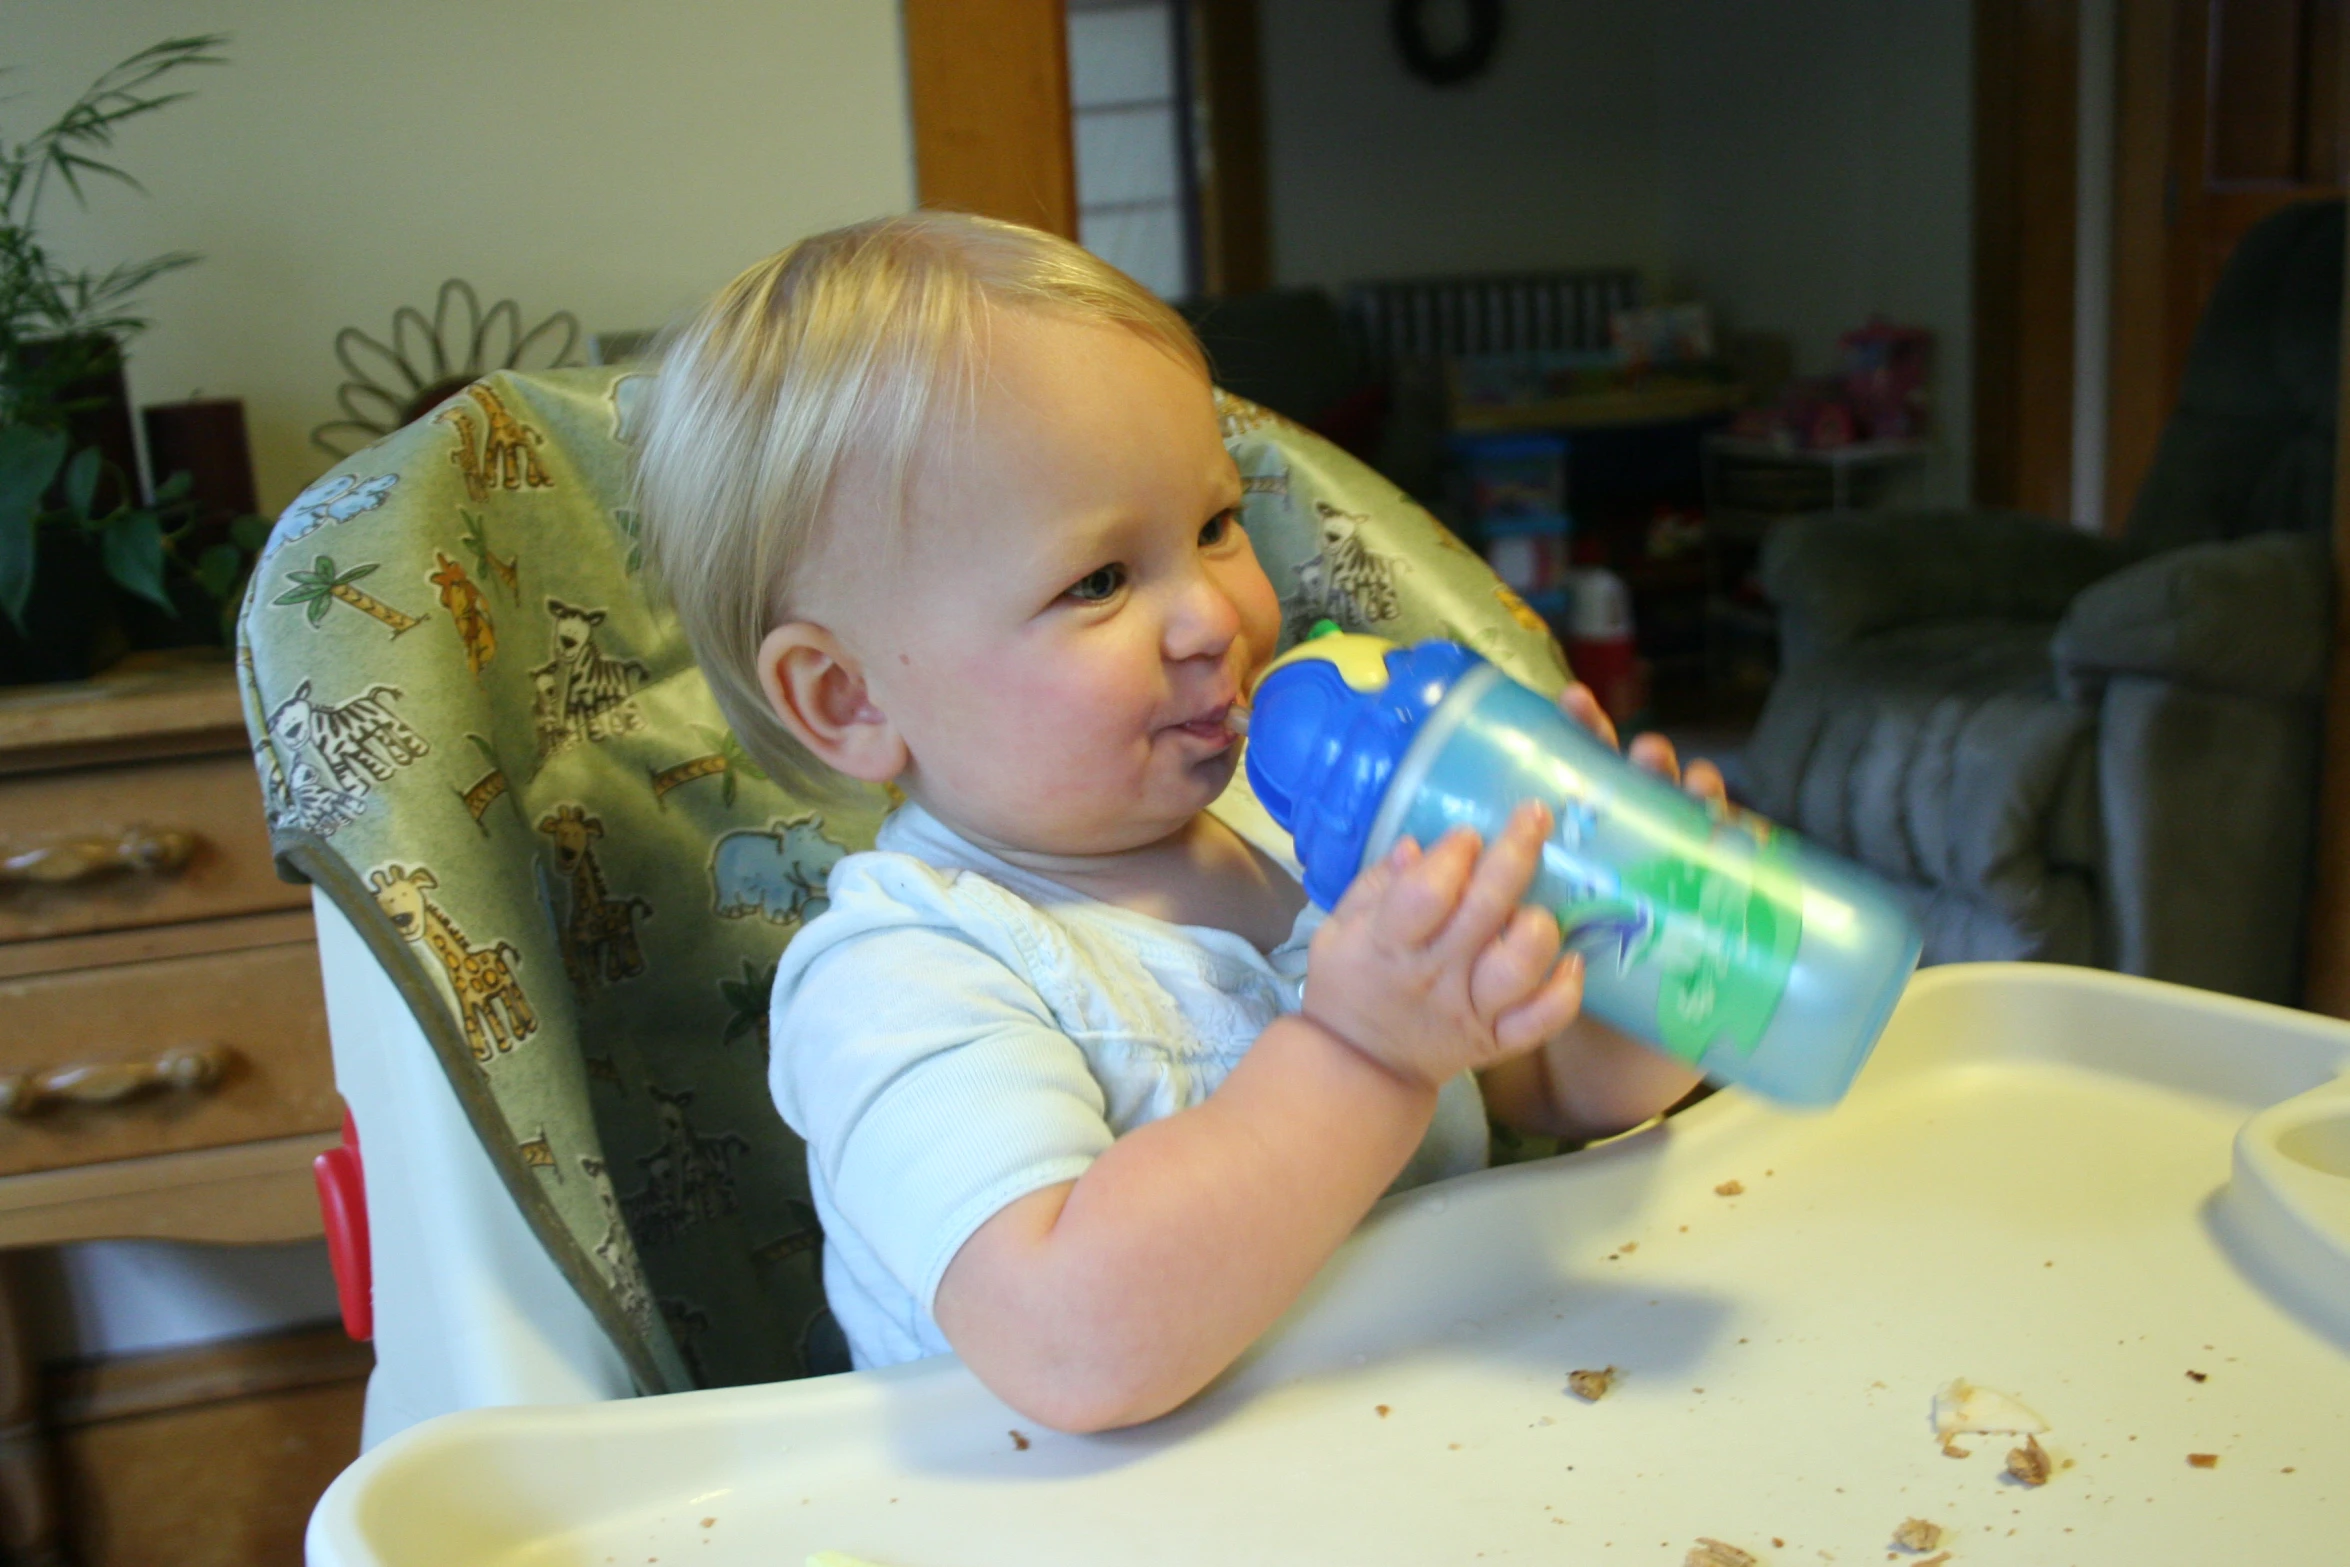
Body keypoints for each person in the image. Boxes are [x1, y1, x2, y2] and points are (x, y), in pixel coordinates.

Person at [634, 212, 1720, 1433]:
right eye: (1096, 581)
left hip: (1420, 1446)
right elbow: (1068, 1344)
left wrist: (1646, 926)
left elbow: (1547, 1080)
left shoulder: (1293, 822)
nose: (1213, 612)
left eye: (1213, 526)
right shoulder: (904, 978)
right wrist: (1364, 1052)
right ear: (850, 698)